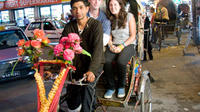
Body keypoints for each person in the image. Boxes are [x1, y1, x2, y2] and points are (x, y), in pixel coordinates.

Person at [60, 0, 104, 111]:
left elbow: (98, 50)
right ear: (71, 11)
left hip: (93, 64)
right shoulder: (69, 26)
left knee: (87, 88)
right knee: (72, 99)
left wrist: (92, 70)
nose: (78, 11)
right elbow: (61, 48)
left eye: (81, 7)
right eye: (74, 8)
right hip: (76, 66)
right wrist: (53, 68)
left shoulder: (96, 25)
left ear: (87, 8)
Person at [103, 0, 136, 99]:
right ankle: (111, 87)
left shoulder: (129, 16)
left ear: (120, 5)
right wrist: (110, 45)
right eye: (111, 5)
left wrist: (121, 46)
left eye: (115, 4)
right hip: (114, 44)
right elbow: (109, 35)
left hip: (128, 44)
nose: (113, 7)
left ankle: (121, 86)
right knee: (105, 61)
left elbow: (133, 36)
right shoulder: (109, 19)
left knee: (121, 62)